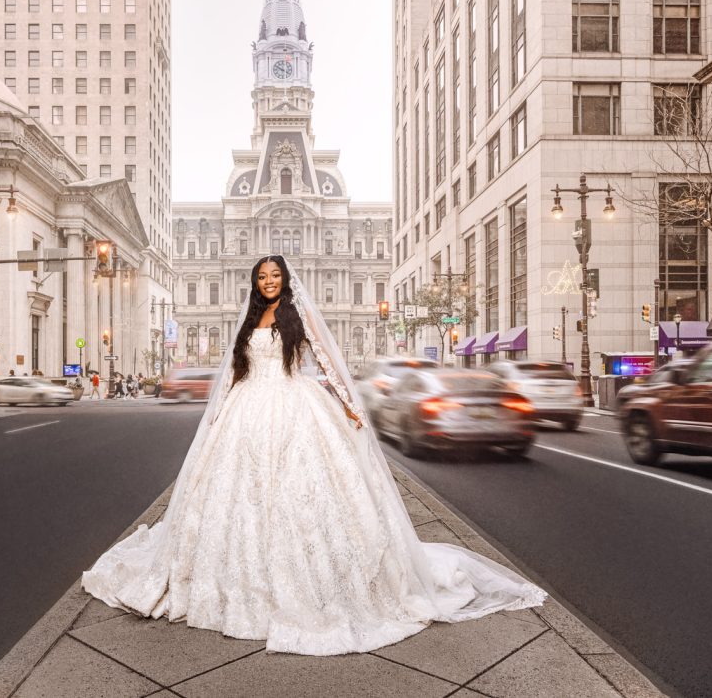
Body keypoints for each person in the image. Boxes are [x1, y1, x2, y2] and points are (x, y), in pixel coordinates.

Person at [83, 255, 545, 655]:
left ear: (284, 278)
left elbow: (324, 360)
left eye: (274, 275)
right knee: (237, 496)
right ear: (255, 281)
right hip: (247, 408)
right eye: (262, 276)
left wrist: (348, 405)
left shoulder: (294, 314)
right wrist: (216, 414)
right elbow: (234, 371)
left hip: (293, 403)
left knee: (304, 492)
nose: (268, 281)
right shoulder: (248, 318)